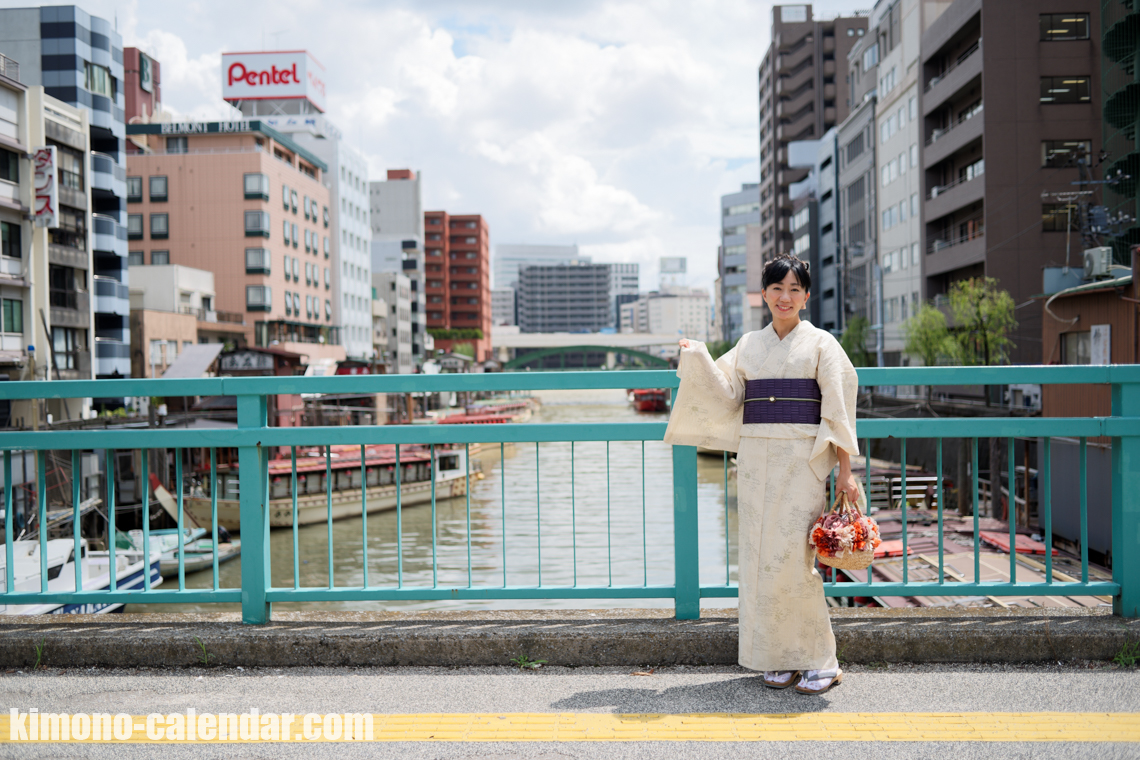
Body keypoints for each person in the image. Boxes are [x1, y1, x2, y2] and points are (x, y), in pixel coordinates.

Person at [664, 253, 861, 695]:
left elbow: (839, 410)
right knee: (758, 561)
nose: (785, 297)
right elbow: (728, 392)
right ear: (764, 295)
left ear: (807, 297)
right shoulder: (750, 344)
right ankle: (779, 657)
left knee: (795, 561)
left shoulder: (823, 345)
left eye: (794, 289)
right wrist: (698, 357)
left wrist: (845, 471)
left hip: (801, 462)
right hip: (754, 461)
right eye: (777, 289)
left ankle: (819, 661)